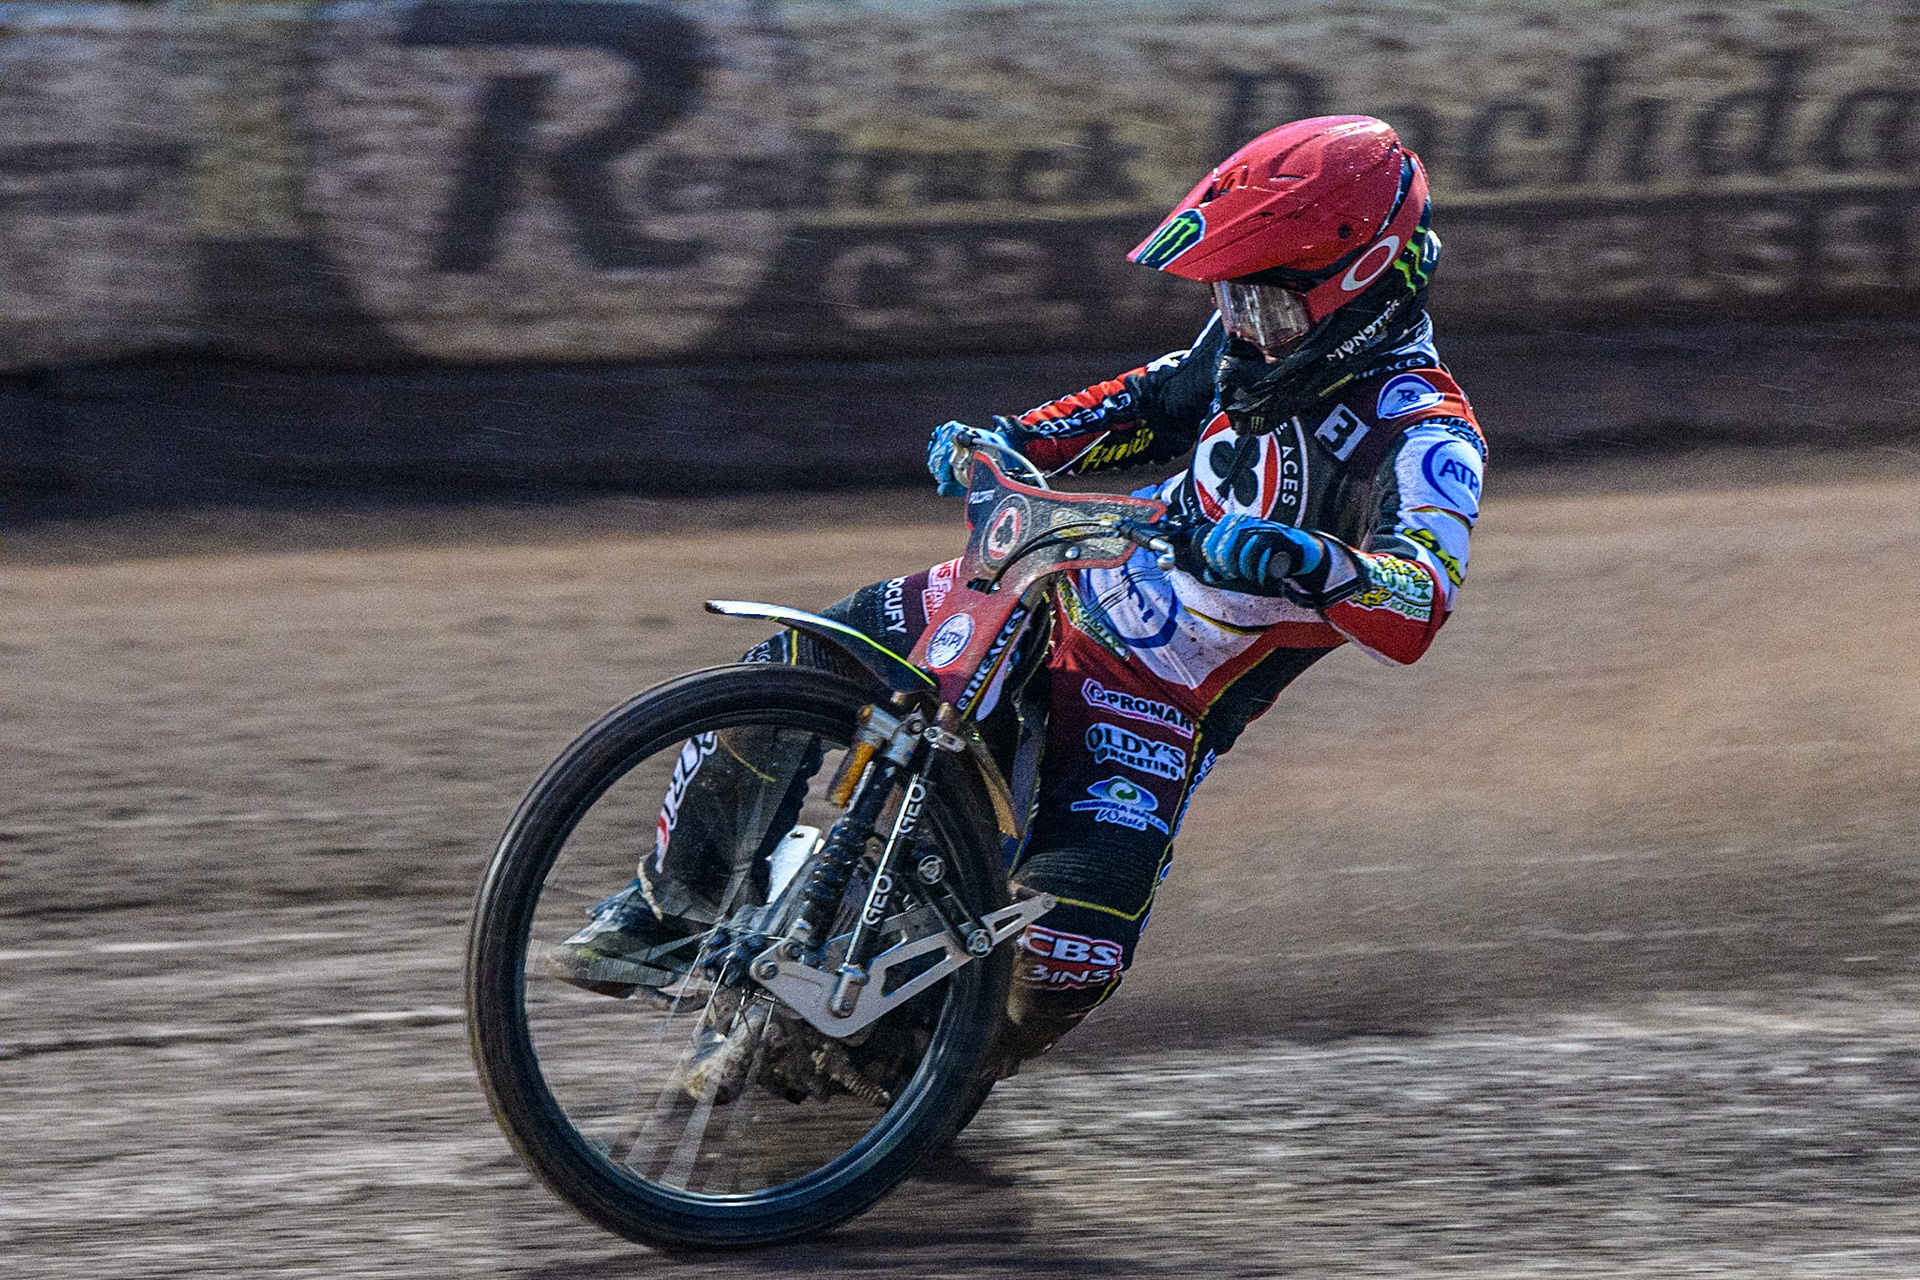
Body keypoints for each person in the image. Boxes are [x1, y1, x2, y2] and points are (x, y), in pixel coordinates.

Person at [549, 115, 1485, 1073]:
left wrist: (1306, 562)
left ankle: (911, 1082)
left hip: (1154, 702)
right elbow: (1140, 401)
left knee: (1068, 961)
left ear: (1363, 289)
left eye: (1269, 309)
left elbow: (1418, 603)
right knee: (803, 659)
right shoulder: (1240, 342)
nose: (1244, 329)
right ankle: (674, 905)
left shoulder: (1427, 439)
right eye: (1232, 299)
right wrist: (1005, 441)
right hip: (1048, 584)